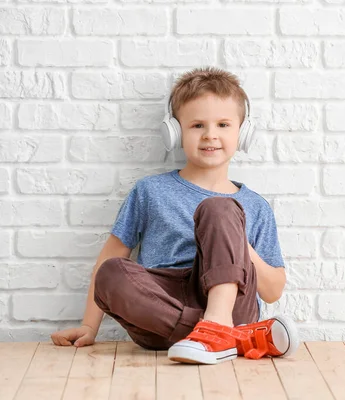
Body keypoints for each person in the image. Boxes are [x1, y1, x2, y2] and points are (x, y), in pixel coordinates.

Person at [51, 67, 299, 365]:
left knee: (217, 208)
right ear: (175, 131)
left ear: (243, 132)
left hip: (233, 304)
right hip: (159, 309)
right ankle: (235, 338)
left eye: (223, 124)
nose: (210, 135)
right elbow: (109, 259)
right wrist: (89, 327)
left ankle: (219, 324)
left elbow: (272, 291)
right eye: (197, 125)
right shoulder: (149, 191)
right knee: (111, 272)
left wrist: (237, 244)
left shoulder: (254, 205)